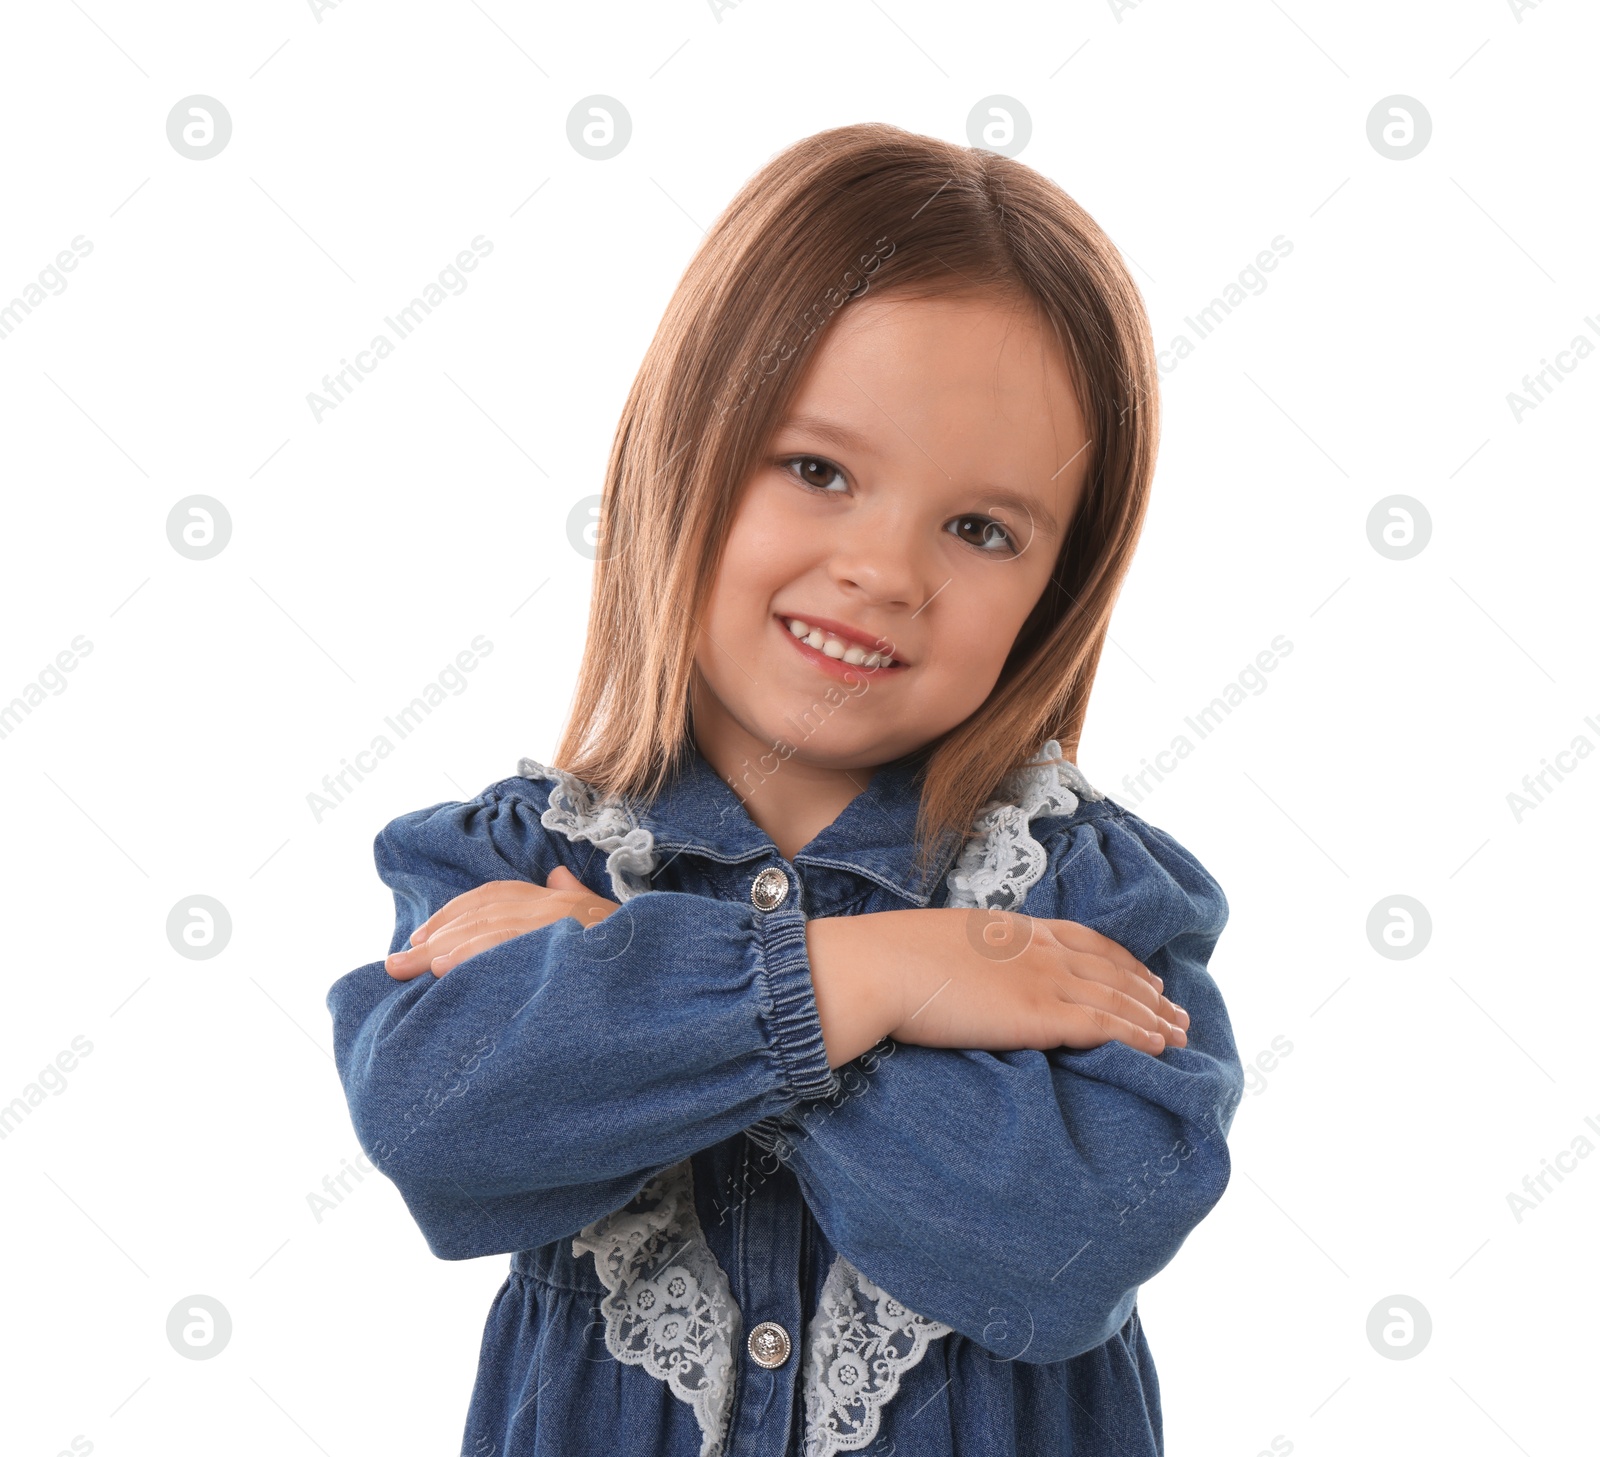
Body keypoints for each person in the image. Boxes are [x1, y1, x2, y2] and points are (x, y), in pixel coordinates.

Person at [326, 120, 1244, 1457]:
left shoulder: (1087, 905)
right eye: (818, 470)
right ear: (684, 455)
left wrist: (626, 982)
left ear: (1059, 586)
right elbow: (445, 1126)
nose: (885, 568)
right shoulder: (527, 859)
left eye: (981, 528)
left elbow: (1067, 1241)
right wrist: (865, 976)